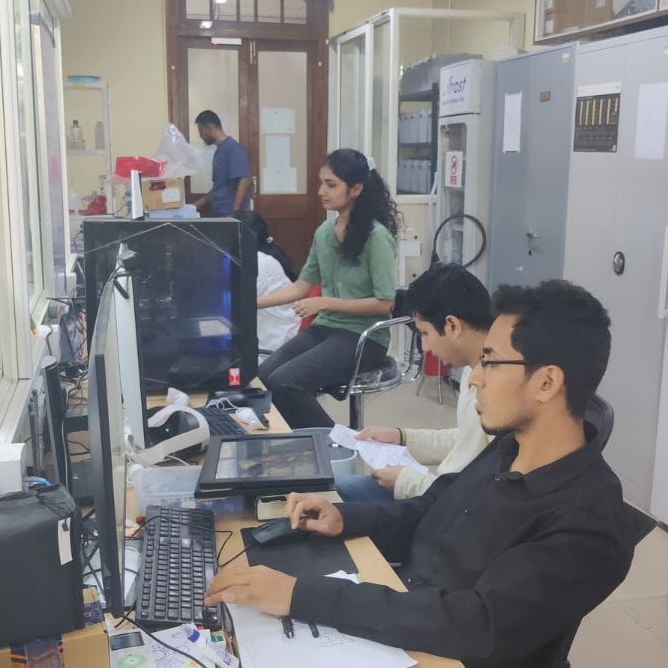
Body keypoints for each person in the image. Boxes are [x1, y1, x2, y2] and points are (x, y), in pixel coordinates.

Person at [206, 280, 637, 668]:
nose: (474, 381)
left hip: (440, 648)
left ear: (546, 383)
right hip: (406, 609)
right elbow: (436, 508)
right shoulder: (510, 447)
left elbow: (475, 622)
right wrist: (346, 519)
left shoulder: (590, 521)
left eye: (490, 363)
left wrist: (301, 596)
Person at [255, 149, 399, 430]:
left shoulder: (376, 237)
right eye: (321, 182)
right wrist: (249, 303)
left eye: (331, 184)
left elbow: (386, 303)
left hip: (364, 337)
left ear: (356, 189)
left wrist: (325, 302)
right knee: (263, 377)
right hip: (326, 328)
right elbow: (300, 287)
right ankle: (304, 444)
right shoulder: (324, 232)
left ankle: (338, 447)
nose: (321, 191)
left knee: (286, 382)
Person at [335, 263, 493, 501]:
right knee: (331, 493)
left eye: (425, 334)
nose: (426, 348)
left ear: (453, 326)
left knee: (334, 501)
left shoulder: (497, 384)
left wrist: (408, 482)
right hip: (437, 492)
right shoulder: (476, 367)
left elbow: (477, 498)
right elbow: (467, 440)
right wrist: (402, 437)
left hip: (446, 511)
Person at [233, 210, 300, 354]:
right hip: (282, 338)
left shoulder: (255, 262)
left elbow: (234, 307)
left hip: (268, 346)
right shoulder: (266, 257)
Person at [192, 110, 251, 216]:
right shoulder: (219, 151)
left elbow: (244, 180)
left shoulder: (233, 148)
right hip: (220, 212)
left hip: (230, 214)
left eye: (201, 131)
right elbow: (219, 187)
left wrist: (235, 212)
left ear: (210, 128)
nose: (200, 136)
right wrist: (196, 205)